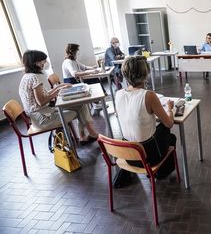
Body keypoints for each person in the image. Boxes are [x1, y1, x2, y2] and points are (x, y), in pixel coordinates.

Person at [114, 56, 177, 187]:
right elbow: (170, 123)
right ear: (146, 73)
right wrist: (170, 109)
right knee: (168, 131)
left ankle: (160, 171)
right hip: (147, 156)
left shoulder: (118, 94)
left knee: (161, 131)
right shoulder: (148, 95)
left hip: (128, 155)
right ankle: (161, 173)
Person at [19, 50, 99, 144]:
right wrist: (58, 90)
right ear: (36, 63)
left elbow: (41, 96)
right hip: (43, 119)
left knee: (81, 105)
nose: (45, 63)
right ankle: (87, 135)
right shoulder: (35, 78)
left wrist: (59, 87)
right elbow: (41, 101)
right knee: (78, 110)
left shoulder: (27, 76)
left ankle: (87, 135)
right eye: (44, 61)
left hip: (41, 115)